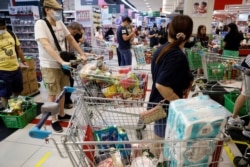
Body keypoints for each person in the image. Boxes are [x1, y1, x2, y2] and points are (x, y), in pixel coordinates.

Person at [34, 0, 87, 132]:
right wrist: (61, 61)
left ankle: (62, 114)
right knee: (53, 93)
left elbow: (70, 39)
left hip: (62, 64)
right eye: (55, 10)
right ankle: (54, 119)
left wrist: (82, 54)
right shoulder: (40, 24)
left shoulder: (60, 22)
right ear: (46, 9)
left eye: (59, 10)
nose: (58, 13)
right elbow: (45, 44)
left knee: (63, 91)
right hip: (49, 65)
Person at [148, 15, 194, 158]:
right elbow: (161, 85)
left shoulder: (162, 49)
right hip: (166, 108)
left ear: (169, 30)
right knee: (160, 144)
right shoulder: (176, 56)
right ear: (189, 34)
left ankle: (154, 160)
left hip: (159, 105)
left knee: (159, 141)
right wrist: (179, 105)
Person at [0, 17, 27, 108]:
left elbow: (18, 48)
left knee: (18, 90)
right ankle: (7, 112)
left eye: (4, 27)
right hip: (2, 70)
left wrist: (23, 61)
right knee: (5, 93)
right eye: (0, 28)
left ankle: (17, 109)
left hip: (16, 68)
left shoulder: (11, 34)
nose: (3, 30)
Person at [227, 55, 250, 138]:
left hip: (246, 66)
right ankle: (248, 129)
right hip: (248, 68)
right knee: (245, 93)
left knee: (244, 93)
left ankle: (233, 118)